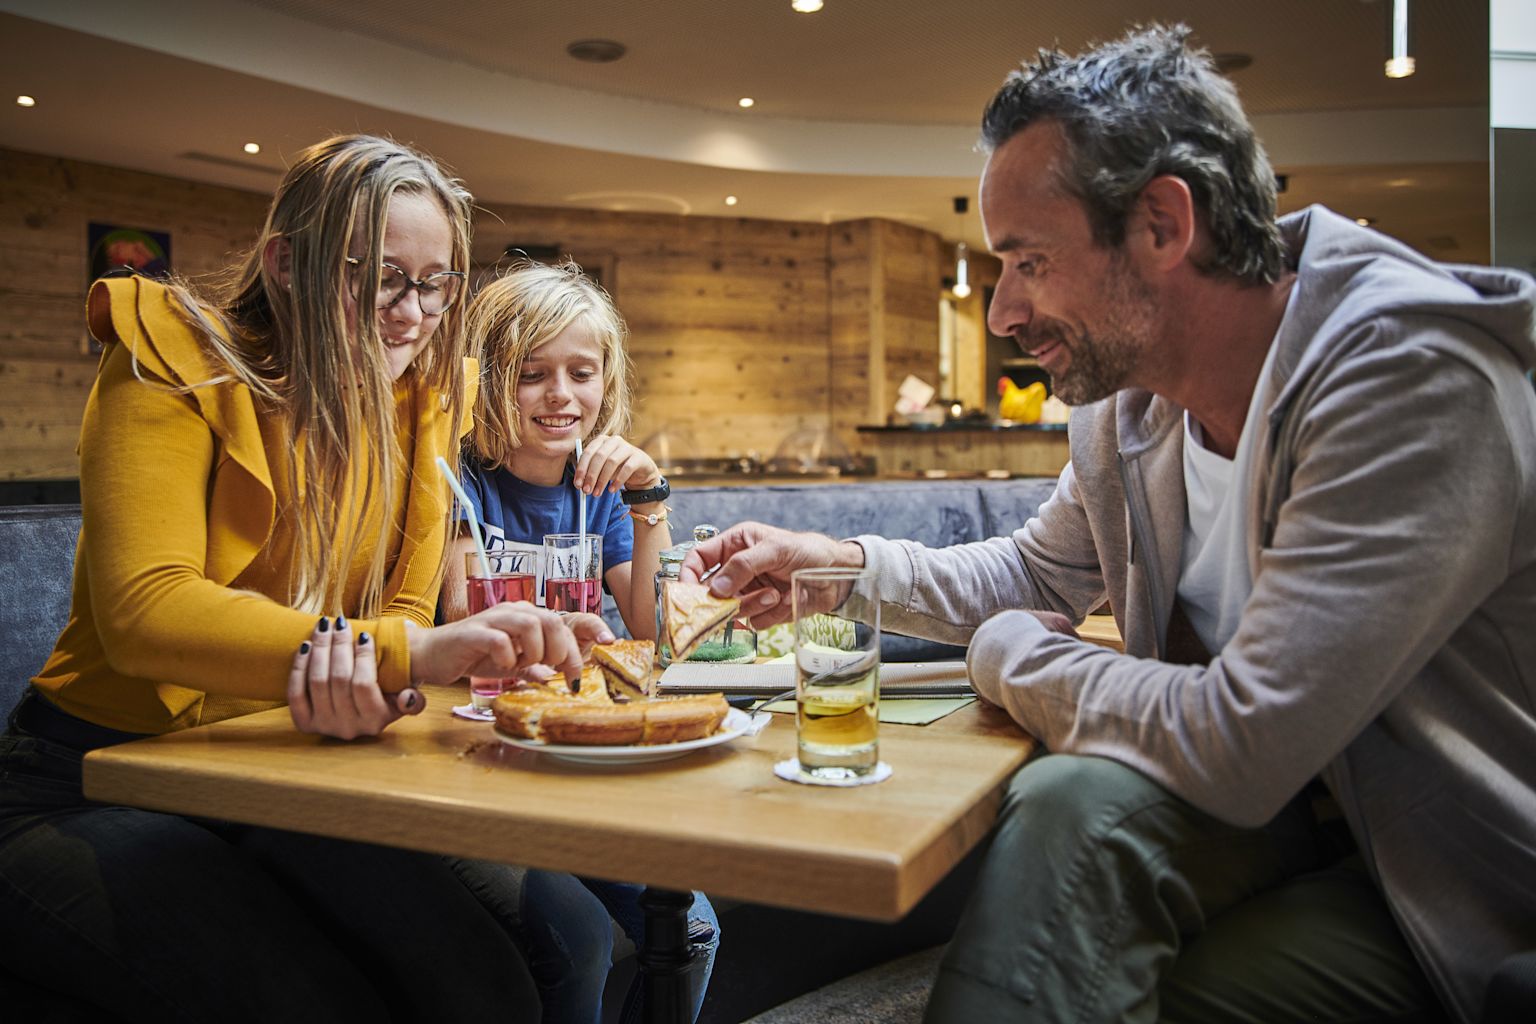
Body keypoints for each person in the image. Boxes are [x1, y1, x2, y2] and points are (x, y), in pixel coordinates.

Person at [682, 25, 1536, 1024]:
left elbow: (1241, 739)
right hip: (1288, 824)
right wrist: (842, 563)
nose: (1003, 311)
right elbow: (1039, 574)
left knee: (1095, 903)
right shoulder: (1133, 400)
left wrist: (1012, 658)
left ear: (1164, 225)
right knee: (1070, 812)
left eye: (1030, 261)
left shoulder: (1409, 381)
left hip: (1454, 889)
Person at [0, 134, 613, 1022]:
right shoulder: (166, 353)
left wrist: (382, 679)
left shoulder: (423, 396)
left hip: (284, 759)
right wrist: (402, 654)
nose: (412, 313)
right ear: (287, 264)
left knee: (512, 973)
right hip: (87, 774)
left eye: (435, 282)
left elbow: (404, 598)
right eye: (379, 278)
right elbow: (146, 610)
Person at [440, 259, 719, 1024]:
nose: (562, 396)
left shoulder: (594, 492)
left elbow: (657, 635)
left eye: (581, 372)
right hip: (471, 762)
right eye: (533, 374)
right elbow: (467, 621)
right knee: (579, 943)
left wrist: (647, 498)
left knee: (691, 929)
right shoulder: (455, 478)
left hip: (569, 754)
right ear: (490, 380)